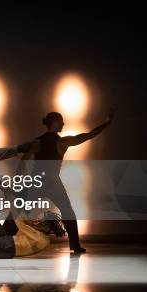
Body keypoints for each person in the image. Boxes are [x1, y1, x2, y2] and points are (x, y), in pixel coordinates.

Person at [29, 108, 115, 254]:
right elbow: (88, 136)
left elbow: (24, 160)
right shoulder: (62, 142)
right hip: (51, 181)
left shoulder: (37, 141)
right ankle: (75, 245)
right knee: (68, 212)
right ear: (55, 122)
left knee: (20, 209)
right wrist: (106, 124)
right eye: (61, 120)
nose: (63, 123)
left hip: (38, 180)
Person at [0, 209, 66, 259]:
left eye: (42, 222)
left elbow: (20, 221)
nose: (39, 222)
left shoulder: (40, 237)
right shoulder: (40, 233)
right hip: (5, 239)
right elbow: (23, 218)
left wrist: (9, 194)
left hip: (5, 248)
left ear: (48, 228)